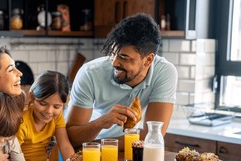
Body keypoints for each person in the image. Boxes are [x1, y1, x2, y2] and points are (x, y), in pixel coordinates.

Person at [65, 13, 178, 149]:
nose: (114, 63)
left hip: (115, 149)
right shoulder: (89, 73)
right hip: (89, 152)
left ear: (148, 60)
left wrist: (102, 146)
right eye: (112, 54)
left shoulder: (164, 72)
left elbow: (152, 135)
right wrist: (101, 122)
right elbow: (72, 136)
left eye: (123, 57)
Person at [16, 70, 75, 161]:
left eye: (56, 107)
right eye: (43, 104)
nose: (49, 111)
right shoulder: (22, 121)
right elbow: (15, 156)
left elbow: (65, 146)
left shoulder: (57, 118)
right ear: (31, 97)